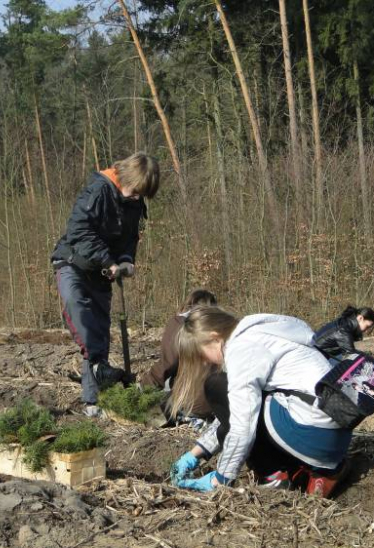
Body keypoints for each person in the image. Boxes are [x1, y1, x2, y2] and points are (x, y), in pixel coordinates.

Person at [168, 307, 354, 499]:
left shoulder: (242, 349)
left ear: (215, 338)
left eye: (202, 356)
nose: (206, 363)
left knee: (216, 385)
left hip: (310, 431)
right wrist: (196, 453)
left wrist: (220, 479)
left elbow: (242, 426)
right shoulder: (267, 333)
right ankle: (310, 470)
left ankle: (272, 475)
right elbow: (233, 411)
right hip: (333, 439)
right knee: (243, 401)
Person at [51, 153, 160, 417]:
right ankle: (100, 373)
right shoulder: (99, 191)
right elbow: (79, 231)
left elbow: (130, 237)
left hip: (102, 274)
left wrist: (125, 260)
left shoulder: (134, 202)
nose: (137, 198)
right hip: (72, 265)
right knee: (82, 318)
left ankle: (92, 402)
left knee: (99, 334)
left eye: (141, 195)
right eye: (135, 191)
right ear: (126, 178)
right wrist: (108, 260)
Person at [141, 289, 218, 421]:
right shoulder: (221, 326)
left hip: (191, 403)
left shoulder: (181, 324)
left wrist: (143, 388)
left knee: (147, 412)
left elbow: (166, 363)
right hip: (218, 403)